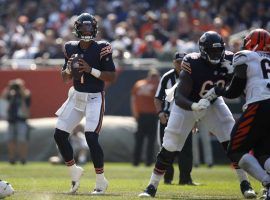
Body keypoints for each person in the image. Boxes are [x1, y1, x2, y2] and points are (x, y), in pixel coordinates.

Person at [139, 31, 256, 198]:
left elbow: (239, 88)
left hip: (214, 102)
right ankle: (151, 187)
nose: (216, 55)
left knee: (233, 141)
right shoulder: (191, 62)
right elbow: (179, 97)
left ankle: (245, 184)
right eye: (212, 51)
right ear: (203, 51)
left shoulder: (231, 60)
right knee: (170, 144)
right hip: (187, 104)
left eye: (218, 51)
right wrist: (194, 105)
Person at [202, 28, 270, 200]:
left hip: (259, 105)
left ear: (250, 42)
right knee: (264, 154)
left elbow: (234, 91)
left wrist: (218, 90)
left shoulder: (245, 55)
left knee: (235, 149)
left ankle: (267, 182)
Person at [53, 13, 116, 195]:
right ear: (77, 29)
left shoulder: (103, 47)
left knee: (91, 137)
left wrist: (90, 69)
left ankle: (100, 180)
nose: (87, 30)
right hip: (76, 96)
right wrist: (68, 68)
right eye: (84, 27)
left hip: (95, 97)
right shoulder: (70, 47)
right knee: (59, 134)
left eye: (90, 27)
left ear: (94, 28)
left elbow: (111, 76)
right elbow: (64, 78)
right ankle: (74, 171)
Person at [154, 52, 198, 185]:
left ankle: (185, 179)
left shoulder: (192, 77)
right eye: (178, 62)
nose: (180, 64)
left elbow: (195, 100)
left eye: (182, 62)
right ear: (173, 62)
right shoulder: (167, 77)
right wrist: (160, 113)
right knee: (167, 148)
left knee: (186, 150)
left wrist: (195, 120)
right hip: (168, 117)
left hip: (186, 117)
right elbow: (157, 98)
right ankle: (168, 178)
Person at [131, 68, 160, 166]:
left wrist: (135, 113)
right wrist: (135, 113)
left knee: (147, 140)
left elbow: (133, 100)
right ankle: (141, 161)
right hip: (145, 115)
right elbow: (134, 100)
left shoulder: (139, 84)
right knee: (143, 140)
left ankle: (142, 161)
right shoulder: (155, 85)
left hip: (150, 115)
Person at [1, 78, 31, 165]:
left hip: (22, 120)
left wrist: (20, 87)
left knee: (22, 140)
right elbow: (3, 97)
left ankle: (23, 159)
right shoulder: (11, 93)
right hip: (11, 120)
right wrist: (9, 87)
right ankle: (11, 159)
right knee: (11, 140)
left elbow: (25, 96)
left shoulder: (26, 92)